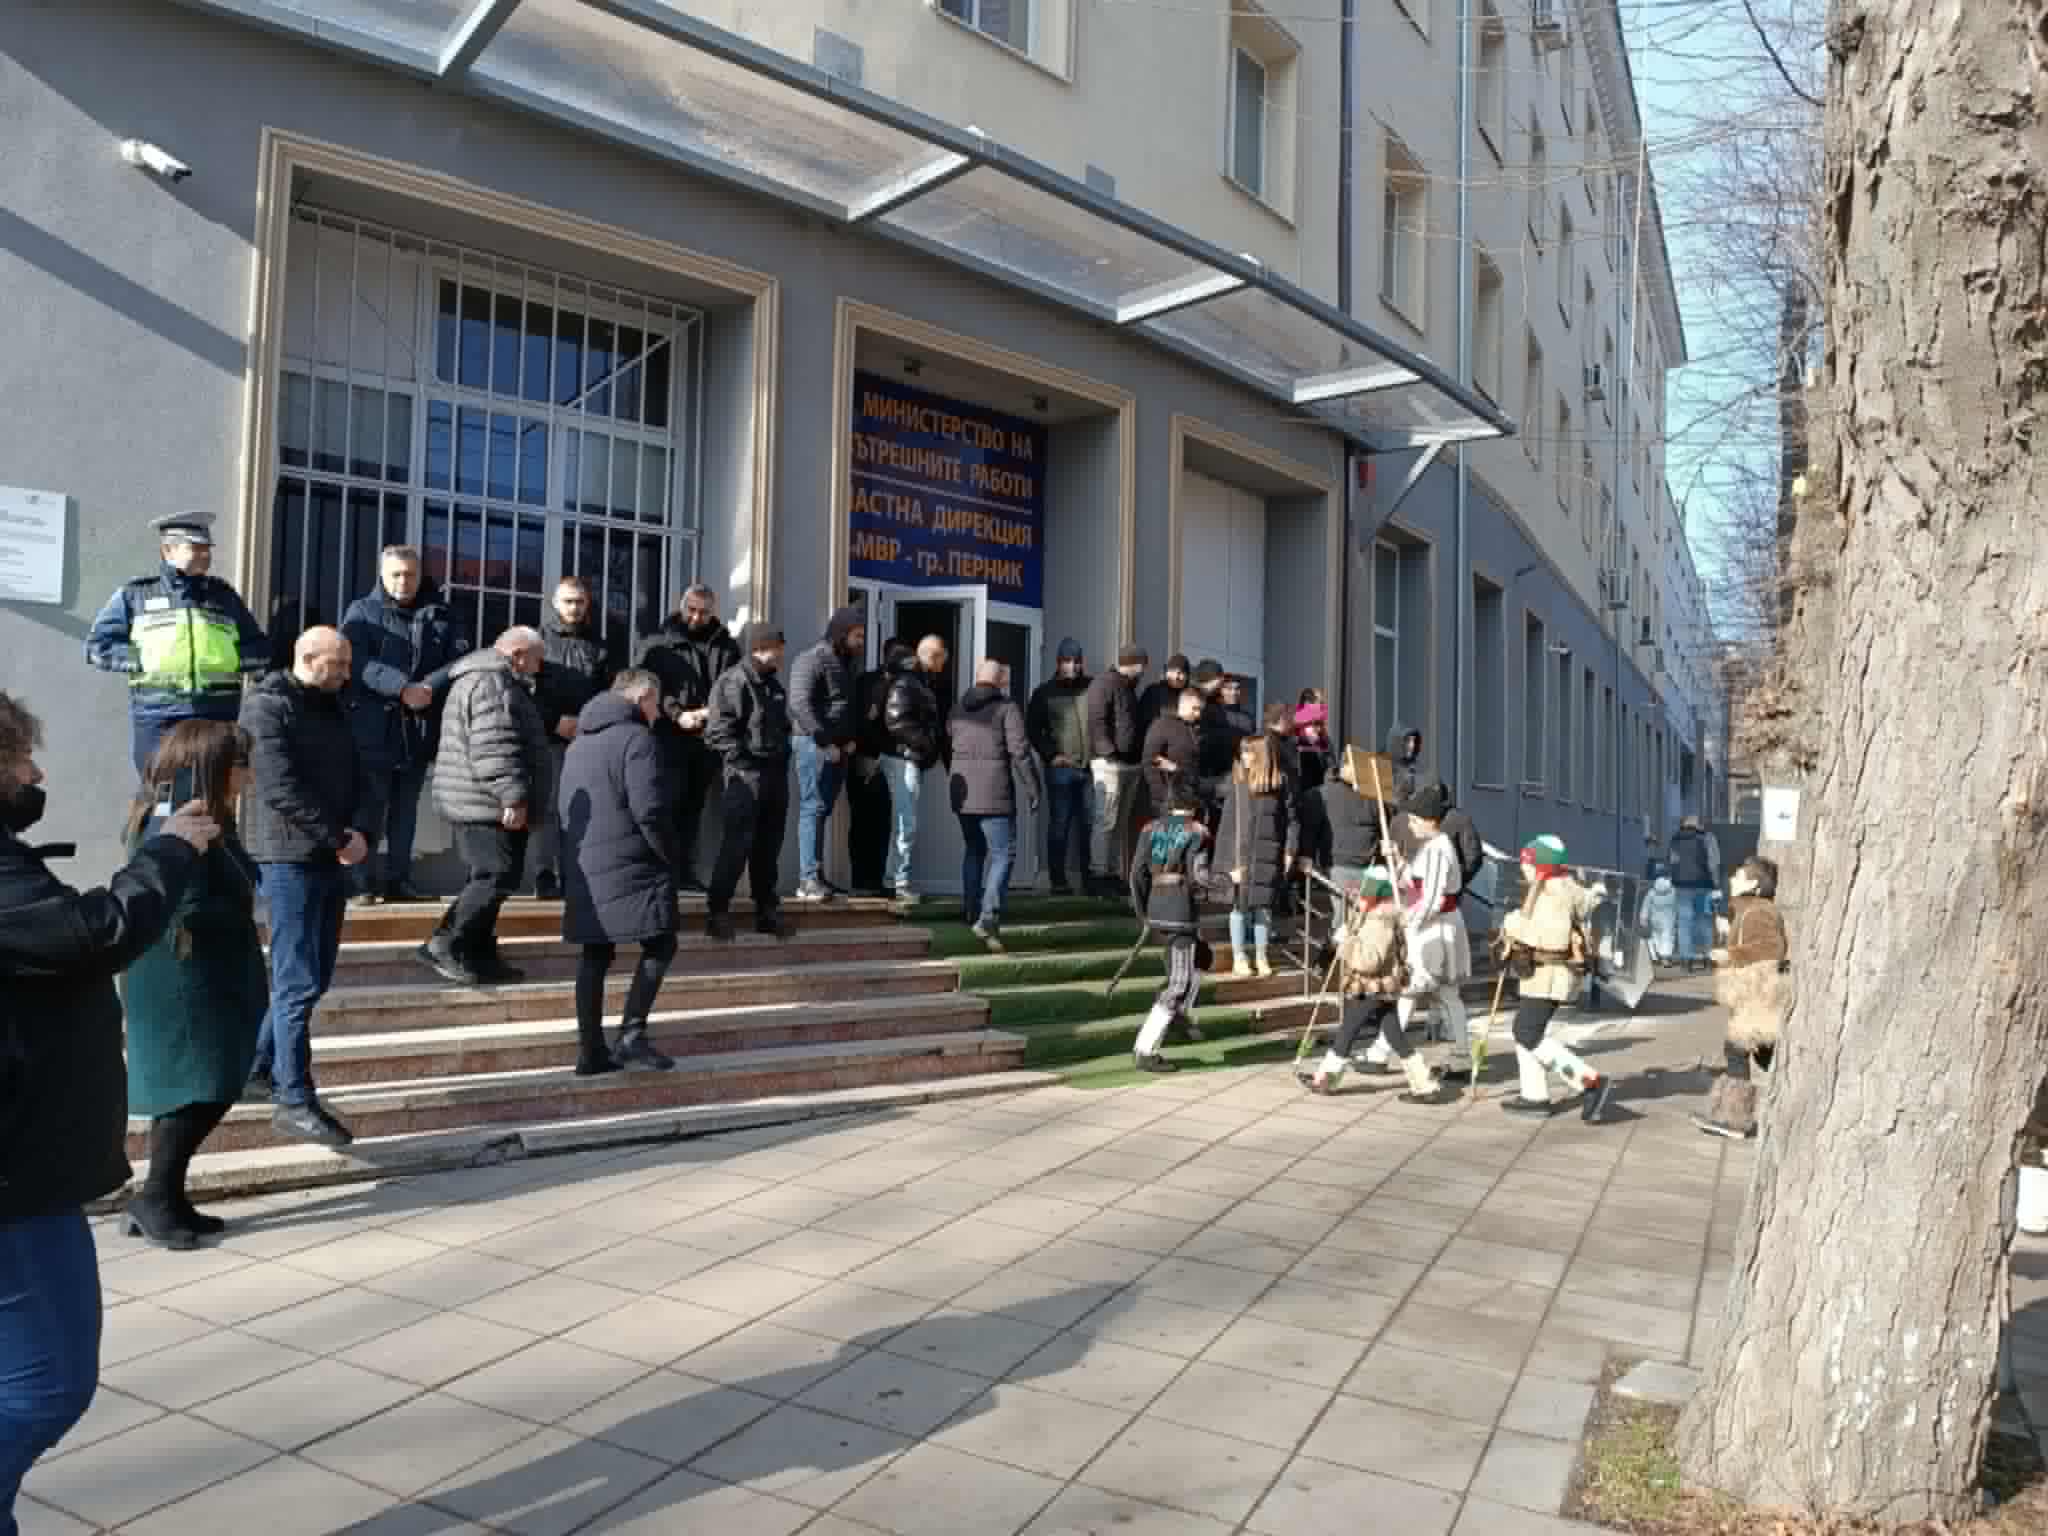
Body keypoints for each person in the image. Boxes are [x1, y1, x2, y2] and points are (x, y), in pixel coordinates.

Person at [0, 690, 214, 1529]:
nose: (35, 775)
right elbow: (95, 933)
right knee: (48, 1386)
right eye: (18, 760)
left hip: (26, 1158)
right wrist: (168, 851)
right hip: (15, 1180)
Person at [120, 722, 267, 1247]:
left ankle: (167, 1196)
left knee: (201, 1086)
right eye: (242, 766)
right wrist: (240, 914)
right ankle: (155, 1198)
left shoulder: (200, 816)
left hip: (204, 969)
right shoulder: (177, 819)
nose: (249, 777)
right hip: (183, 974)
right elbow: (181, 901)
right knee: (200, 1088)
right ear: (214, 766)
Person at [240, 627, 370, 1149]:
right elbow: (279, 787)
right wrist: (337, 836)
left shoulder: (332, 706)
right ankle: (294, 1099)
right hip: (288, 857)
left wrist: (360, 832)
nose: (346, 674)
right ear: (309, 658)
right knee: (295, 980)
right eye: (338, 664)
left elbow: (358, 774)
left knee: (314, 976)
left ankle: (258, 1068)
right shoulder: (267, 707)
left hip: (330, 856)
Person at [558, 670, 680, 1076]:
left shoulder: (579, 743)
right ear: (643, 697)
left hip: (588, 864)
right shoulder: (638, 739)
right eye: (656, 703)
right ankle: (631, 1034)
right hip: (634, 862)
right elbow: (650, 810)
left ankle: (591, 1051)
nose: (658, 713)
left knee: (595, 952)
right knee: (661, 941)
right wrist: (669, 856)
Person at [86, 512, 270, 778]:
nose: (205, 555)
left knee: (212, 791)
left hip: (216, 714)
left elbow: (260, 650)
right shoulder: (136, 595)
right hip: (158, 716)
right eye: (195, 547)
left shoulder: (225, 597)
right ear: (167, 551)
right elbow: (97, 648)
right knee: (160, 789)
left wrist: (229, 658)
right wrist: (144, 660)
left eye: (207, 548)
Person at [421, 627, 549, 987]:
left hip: (483, 799)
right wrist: (513, 796)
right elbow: (494, 746)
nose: (539, 667)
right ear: (518, 654)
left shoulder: (496, 680)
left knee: (496, 876)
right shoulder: (491, 682)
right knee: (495, 874)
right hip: (484, 802)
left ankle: (477, 953)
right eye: (537, 659)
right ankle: (447, 942)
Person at [340, 546, 468, 904]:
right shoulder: (362, 612)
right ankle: (362, 882)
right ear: (382, 575)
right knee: (369, 807)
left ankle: (399, 881)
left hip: (417, 728)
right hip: (373, 728)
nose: (403, 581)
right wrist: (400, 687)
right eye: (395, 574)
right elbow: (355, 661)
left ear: (419, 574)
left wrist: (427, 688)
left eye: (409, 574)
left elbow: (457, 661)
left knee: (405, 811)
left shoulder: (441, 614)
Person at [1300, 866, 1451, 1102]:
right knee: (1395, 1036)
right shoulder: (1375, 917)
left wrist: (1347, 944)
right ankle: (1424, 1083)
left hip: (1371, 987)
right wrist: (1339, 942)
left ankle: (1325, 1079)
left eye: (1364, 893)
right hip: (1381, 988)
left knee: (1348, 1030)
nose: (1359, 896)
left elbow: (1369, 961)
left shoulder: (1380, 923)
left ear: (1374, 896)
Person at [1496, 835, 1617, 1121]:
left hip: (1548, 975)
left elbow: (1552, 938)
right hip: (1543, 974)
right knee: (1526, 1031)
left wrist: (1511, 923)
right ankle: (1534, 1095)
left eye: (1527, 863)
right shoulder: (1558, 886)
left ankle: (1590, 1082)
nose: (1523, 868)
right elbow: (1583, 904)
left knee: (1527, 1032)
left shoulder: (1552, 894)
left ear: (1540, 867)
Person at [635, 584, 740, 892]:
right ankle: (660, 872)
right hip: (667, 736)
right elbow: (648, 686)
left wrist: (709, 713)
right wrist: (677, 713)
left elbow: (732, 688)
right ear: (681, 607)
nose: (696, 617)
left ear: (713, 612)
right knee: (664, 804)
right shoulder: (657, 642)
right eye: (691, 610)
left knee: (693, 808)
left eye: (704, 612)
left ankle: (684, 872)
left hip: (706, 738)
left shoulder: (726, 647)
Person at [704, 623, 794, 942]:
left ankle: (766, 910)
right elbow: (718, 732)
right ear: (758, 649)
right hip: (746, 776)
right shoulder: (734, 682)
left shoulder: (773, 685)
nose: (781, 654)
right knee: (737, 845)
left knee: (768, 847)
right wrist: (743, 764)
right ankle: (718, 911)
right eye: (776, 648)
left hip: (774, 775)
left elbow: (782, 728)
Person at [948, 658, 1042, 951]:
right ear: (1001, 681)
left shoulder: (958, 707)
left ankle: (970, 910)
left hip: (963, 794)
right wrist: (1033, 788)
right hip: (994, 793)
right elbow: (1020, 751)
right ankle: (988, 917)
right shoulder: (1007, 708)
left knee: (974, 850)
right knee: (1003, 854)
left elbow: (947, 742)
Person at [531, 577, 615, 900]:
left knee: (581, 809)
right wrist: (554, 722)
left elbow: (608, 694)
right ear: (555, 603)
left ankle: (574, 875)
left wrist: (588, 724)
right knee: (549, 807)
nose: (574, 607)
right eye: (568, 601)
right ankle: (544, 875)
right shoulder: (539, 640)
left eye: (580, 601)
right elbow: (528, 690)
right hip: (549, 736)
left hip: (586, 739)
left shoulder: (600, 646)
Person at [1127, 782, 1220, 1073]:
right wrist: (1230, 880)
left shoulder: (1149, 828)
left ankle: (1178, 1013)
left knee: (1202, 956)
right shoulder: (1198, 832)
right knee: (1178, 983)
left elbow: (1137, 874)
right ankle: (1145, 1048)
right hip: (1180, 913)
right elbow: (1200, 877)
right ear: (1194, 806)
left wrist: (1144, 911)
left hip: (1156, 909)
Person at [1696, 856, 1790, 1140]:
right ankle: (1750, 1111)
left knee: (1738, 1050)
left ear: (1753, 885)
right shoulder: (1749, 910)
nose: (1732, 879)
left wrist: (1731, 955)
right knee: (1763, 1054)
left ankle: (1736, 1118)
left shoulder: (1759, 911)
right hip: (1752, 994)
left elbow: (1772, 948)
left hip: (1757, 995)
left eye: (1738, 876)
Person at [1392, 782, 1475, 1082]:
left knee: (1419, 989)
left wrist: (1408, 921)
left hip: (1436, 929)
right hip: (1432, 926)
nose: (1410, 825)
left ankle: (1385, 1049)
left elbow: (1433, 898)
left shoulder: (1439, 848)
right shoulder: (1431, 848)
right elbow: (1415, 884)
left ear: (1430, 820)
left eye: (1415, 820)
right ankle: (1460, 1055)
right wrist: (1399, 862)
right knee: (1426, 992)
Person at [1216, 708, 1301, 978]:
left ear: (1261, 754)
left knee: (1264, 908)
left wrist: (1290, 850)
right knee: (1239, 908)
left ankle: (1262, 956)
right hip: (1241, 856)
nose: (1243, 757)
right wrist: (1228, 865)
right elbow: (1228, 828)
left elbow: (1292, 820)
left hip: (1268, 854)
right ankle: (1240, 957)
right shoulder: (1237, 782)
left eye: (1248, 752)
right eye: (1242, 752)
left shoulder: (1280, 784)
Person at [788, 607, 865, 901]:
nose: (860, 642)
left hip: (837, 749)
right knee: (813, 808)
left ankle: (816, 875)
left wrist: (849, 740)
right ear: (841, 633)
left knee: (821, 810)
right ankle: (808, 879)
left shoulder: (846, 663)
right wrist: (825, 742)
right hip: (815, 747)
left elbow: (845, 705)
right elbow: (800, 704)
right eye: (857, 635)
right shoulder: (812, 659)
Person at [880, 634, 947, 903]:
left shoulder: (917, 679)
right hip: (904, 758)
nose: (944, 665)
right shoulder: (909, 680)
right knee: (905, 823)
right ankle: (899, 882)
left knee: (903, 822)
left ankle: (893, 880)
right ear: (934, 655)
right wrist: (925, 744)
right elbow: (896, 720)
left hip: (907, 757)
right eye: (943, 658)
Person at [1027, 638, 1093, 895]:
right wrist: (1051, 755)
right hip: (1061, 769)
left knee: (1089, 825)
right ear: (1058, 662)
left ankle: (1090, 879)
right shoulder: (1044, 692)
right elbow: (1033, 729)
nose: (1072, 666)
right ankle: (1058, 881)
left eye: (1077, 661)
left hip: (1089, 768)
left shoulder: (1091, 688)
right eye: (1067, 661)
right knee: (1060, 824)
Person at [1083, 645, 1146, 899]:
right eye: (1142, 664)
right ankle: (1098, 873)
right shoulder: (1104, 684)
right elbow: (1096, 721)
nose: (1144, 670)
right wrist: (1109, 753)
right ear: (1135, 664)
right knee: (1106, 819)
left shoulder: (1128, 687)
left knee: (1118, 823)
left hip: (1129, 764)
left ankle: (1112, 874)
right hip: (1110, 764)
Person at [847, 640, 905, 897]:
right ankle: (864, 881)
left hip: (883, 760)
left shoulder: (902, 683)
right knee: (867, 822)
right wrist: (869, 754)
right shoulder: (868, 683)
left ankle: (877, 881)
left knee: (882, 823)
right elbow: (861, 721)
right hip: (868, 759)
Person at [1667, 815, 1724, 970]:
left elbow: (1672, 862)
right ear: (1698, 825)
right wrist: (1716, 883)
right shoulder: (1707, 838)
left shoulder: (1676, 838)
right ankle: (1707, 955)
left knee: (1684, 922)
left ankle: (1686, 958)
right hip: (1703, 885)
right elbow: (1714, 862)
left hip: (1682, 886)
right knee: (1704, 919)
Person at [1141, 686, 1204, 817]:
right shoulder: (1161, 725)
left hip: (1187, 798)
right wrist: (1164, 797)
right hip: (1168, 802)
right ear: (1183, 704)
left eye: (1200, 710)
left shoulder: (1191, 728)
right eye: (1195, 708)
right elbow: (1149, 761)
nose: (1198, 714)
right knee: (1170, 830)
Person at [1137, 653, 1190, 736]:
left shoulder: (1190, 697)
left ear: (1187, 676)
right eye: (1172, 671)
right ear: (1166, 672)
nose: (1176, 676)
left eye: (1180, 673)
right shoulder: (1153, 691)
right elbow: (1141, 720)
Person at [1294, 687, 1331, 792]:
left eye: (1321, 702)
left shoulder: (1317, 724)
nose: (1320, 705)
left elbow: (1325, 746)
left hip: (1317, 769)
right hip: (1308, 768)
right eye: (1317, 701)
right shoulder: (1302, 721)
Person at [1387, 722, 1426, 807]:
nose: (1412, 745)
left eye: (1414, 741)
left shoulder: (1418, 768)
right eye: (1408, 741)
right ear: (1397, 742)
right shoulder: (1385, 768)